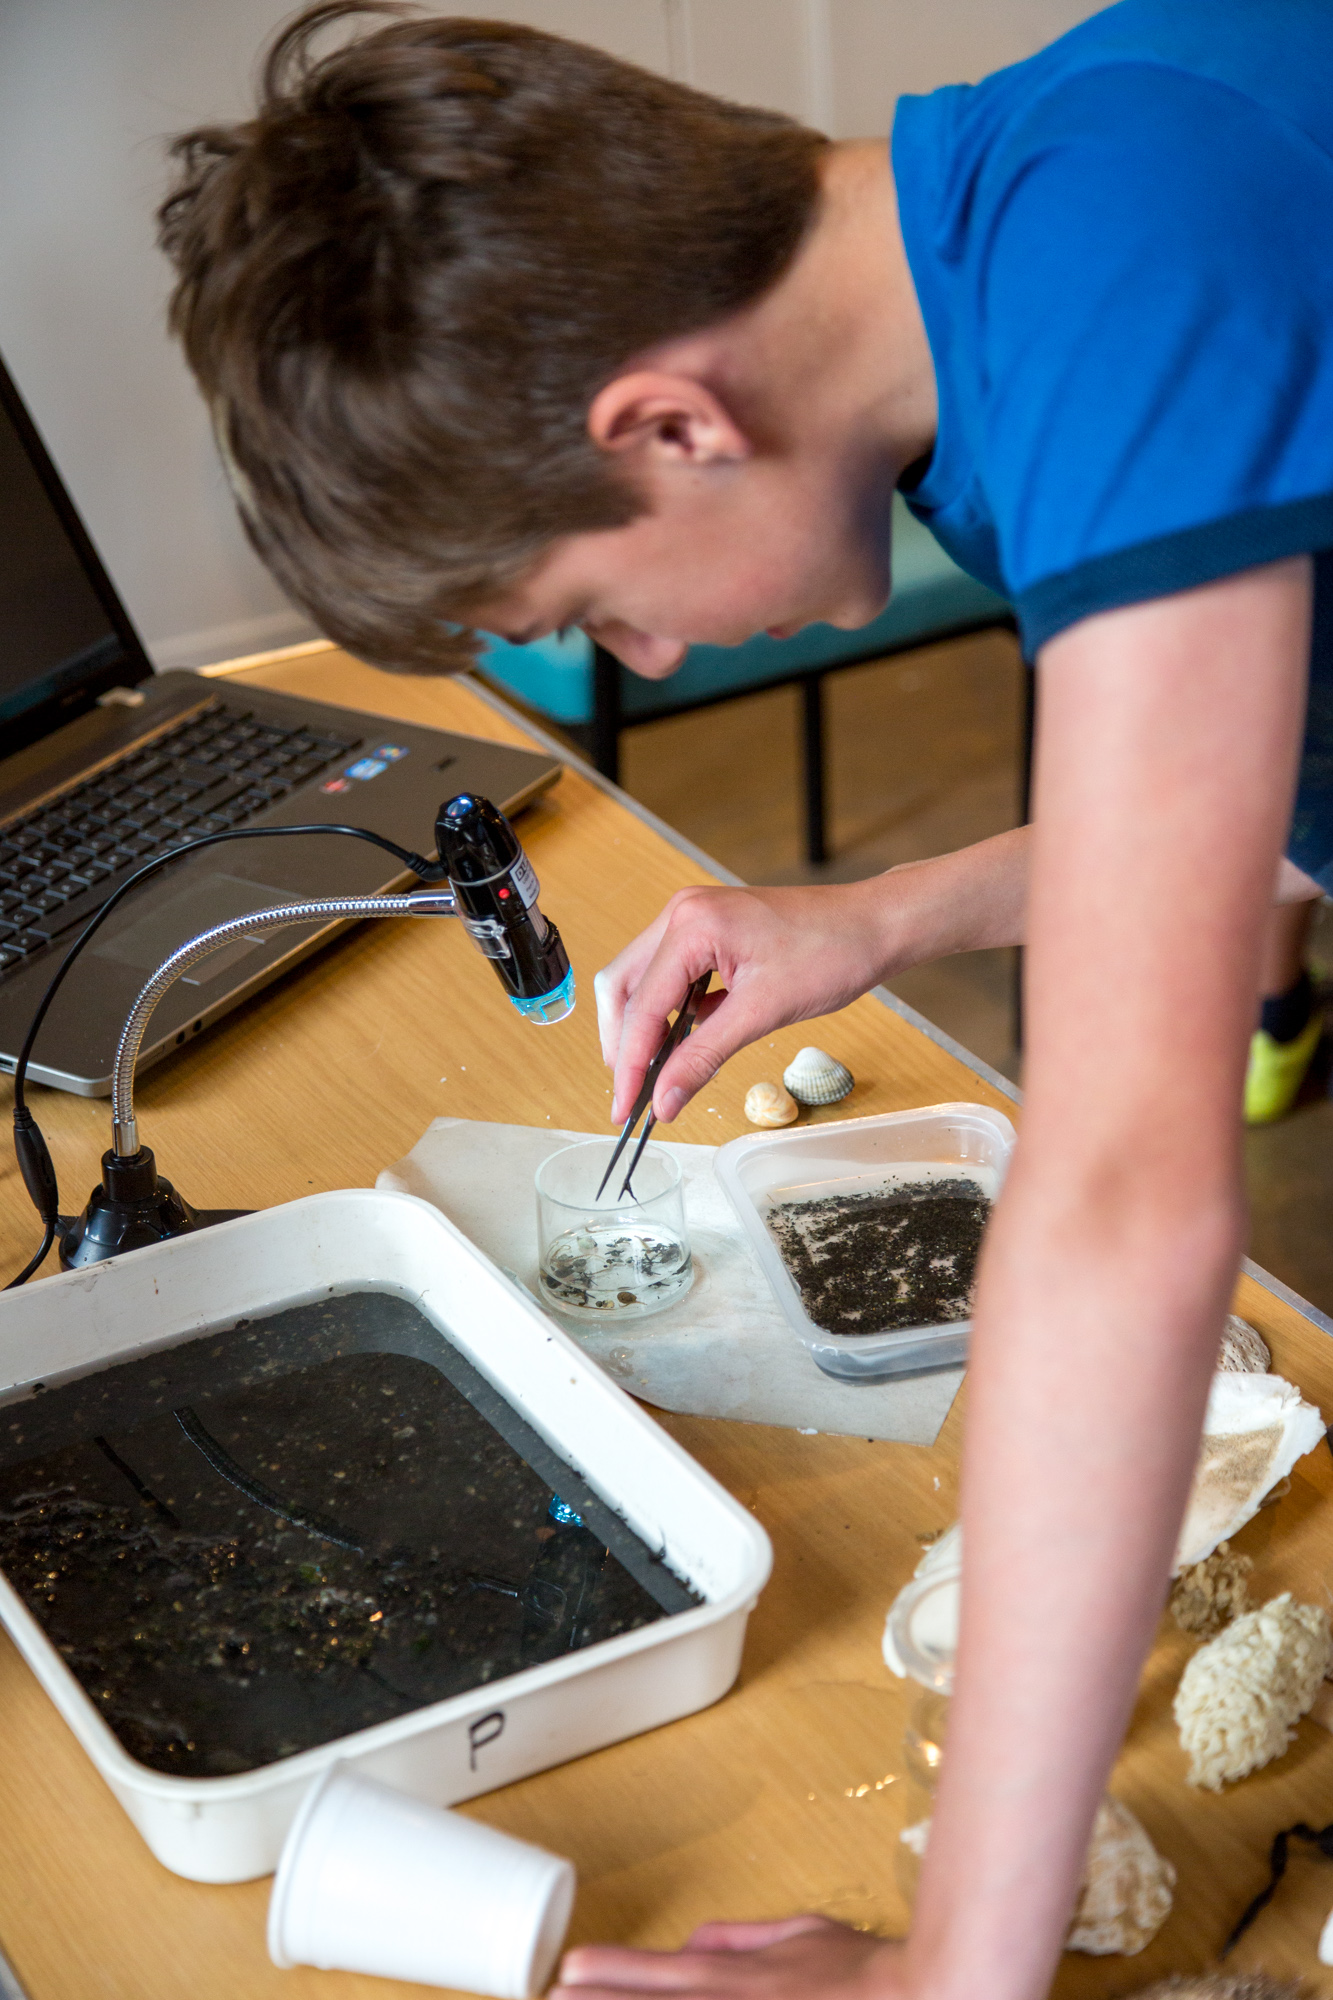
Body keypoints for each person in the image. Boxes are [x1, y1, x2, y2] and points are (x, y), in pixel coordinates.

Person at [158, 4, 1333, 1996]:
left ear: (667, 424)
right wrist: (879, 916)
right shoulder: (1004, 257)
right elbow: (1251, 816)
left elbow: (1130, 1199)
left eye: (596, 610)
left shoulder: (1127, 266)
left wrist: (943, 1973)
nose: (654, 651)